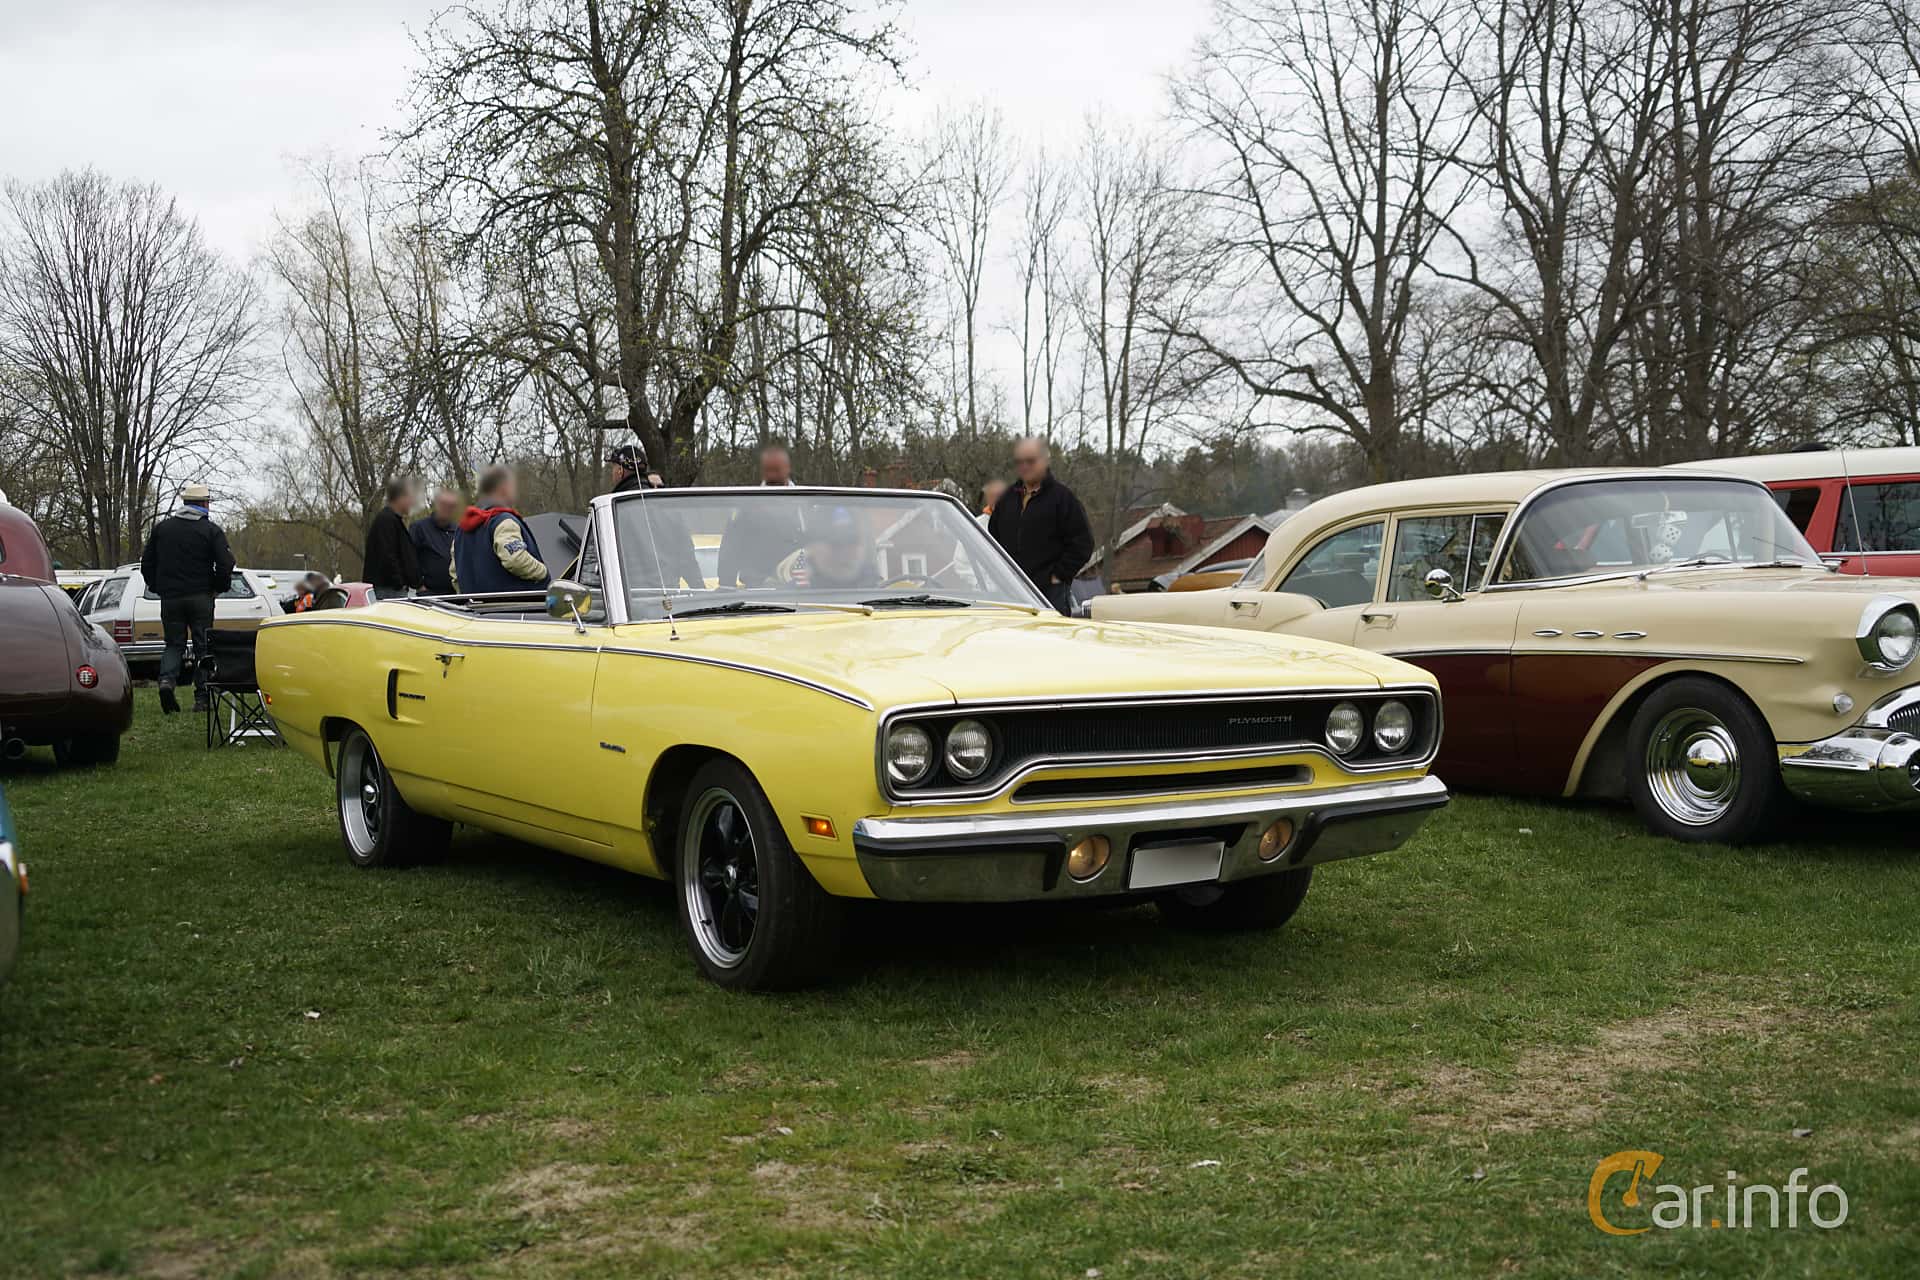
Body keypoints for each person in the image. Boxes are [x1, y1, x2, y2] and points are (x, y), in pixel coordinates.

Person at [139, 482, 235, 715]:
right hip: (201, 597)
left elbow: (147, 563)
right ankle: (202, 699)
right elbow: (226, 563)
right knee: (203, 647)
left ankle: (166, 682)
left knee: (173, 644)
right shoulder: (211, 531)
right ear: (204, 504)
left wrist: (158, 586)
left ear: (184, 503)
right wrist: (217, 588)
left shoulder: (162, 529)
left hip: (171, 598)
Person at [986, 436, 1094, 615]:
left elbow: (1083, 543)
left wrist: (1057, 576)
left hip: (1050, 596)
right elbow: (991, 541)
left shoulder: (1063, 499)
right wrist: (999, 577)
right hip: (1011, 594)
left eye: (1030, 461)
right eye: (1019, 462)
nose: (1024, 466)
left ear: (1045, 460)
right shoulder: (1006, 500)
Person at [452, 466, 550, 594]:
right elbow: (515, 559)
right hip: (515, 610)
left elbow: (455, 574)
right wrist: (543, 572)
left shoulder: (461, 529)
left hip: (473, 610)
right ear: (503, 487)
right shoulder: (503, 521)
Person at [774, 506, 877, 590]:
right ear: (812, 548)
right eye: (836, 543)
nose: (846, 551)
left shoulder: (882, 592)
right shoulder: (789, 602)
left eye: (853, 541)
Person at [363, 479, 422, 600]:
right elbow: (388, 556)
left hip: (392, 589)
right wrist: (400, 583)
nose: (412, 502)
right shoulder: (386, 521)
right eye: (410, 498)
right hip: (389, 590)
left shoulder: (393, 520)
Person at [409, 489, 460, 595]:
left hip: (457, 594)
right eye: (444, 505)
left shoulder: (458, 530)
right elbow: (409, 558)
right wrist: (419, 585)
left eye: (451, 506)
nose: (447, 509)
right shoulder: (419, 528)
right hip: (429, 596)